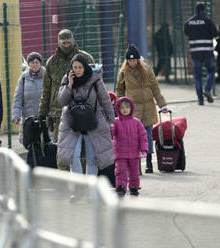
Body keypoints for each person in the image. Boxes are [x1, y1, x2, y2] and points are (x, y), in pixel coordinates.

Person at [38, 29, 94, 171]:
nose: (66, 44)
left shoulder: (86, 59)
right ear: (59, 42)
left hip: (83, 113)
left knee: (81, 152)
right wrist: (42, 113)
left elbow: (96, 85)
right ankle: (65, 182)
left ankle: (81, 183)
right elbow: (46, 89)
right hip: (58, 114)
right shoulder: (52, 63)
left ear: (73, 41)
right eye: (63, 42)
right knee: (62, 152)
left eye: (69, 42)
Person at [57, 53, 115, 175]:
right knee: (73, 156)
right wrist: (69, 85)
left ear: (85, 67)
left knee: (92, 158)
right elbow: (62, 101)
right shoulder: (67, 79)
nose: (77, 70)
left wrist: (111, 120)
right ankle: (80, 186)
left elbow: (105, 100)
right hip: (73, 123)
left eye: (80, 67)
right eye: (75, 67)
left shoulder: (95, 79)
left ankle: (90, 186)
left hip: (93, 122)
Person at [116, 44, 168, 174]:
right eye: (129, 60)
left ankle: (149, 162)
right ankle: (136, 165)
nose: (132, 63)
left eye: (134, 60)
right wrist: (120, 105)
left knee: (148, 136)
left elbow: (155, 88)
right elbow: (120, 90)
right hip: (132, 109)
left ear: (138, 59)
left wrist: (162, 105)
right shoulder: (123, 72)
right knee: (133, 137)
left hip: (148, 107)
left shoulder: (147, 69)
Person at [111, 97, 148, 197]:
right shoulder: (116, 122)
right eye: (122, 108)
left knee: (134, 173)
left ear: (131, 108)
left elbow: (143, 136)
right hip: (120, 153)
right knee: (120, 171)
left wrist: (143, 148)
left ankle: (134, 187)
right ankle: (120, 187)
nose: (125, 109)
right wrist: (110, 127)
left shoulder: (137, 122)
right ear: (118, 109)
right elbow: (111, 133)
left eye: (127, 107)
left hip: (134, 153)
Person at [184, 3, 219, 105]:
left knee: (198, 76)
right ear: (204, 10)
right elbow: (216, 34)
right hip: (207, 51)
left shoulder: (189, 22)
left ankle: (200, 99)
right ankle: (207, 89)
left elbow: (186, 32)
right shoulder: (208, 21)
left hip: (195, 53)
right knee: (211, 71)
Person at [12, 52, 45, 144]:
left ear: (40, 63)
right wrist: (16, 115)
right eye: (32, 62)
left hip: (44, 115)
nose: (34, 65)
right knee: (29, 142)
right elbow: (18, 98)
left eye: (37, 62)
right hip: (28, 117)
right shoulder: (23, 78)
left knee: (45, 141)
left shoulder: (46, 76)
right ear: (28, 64)